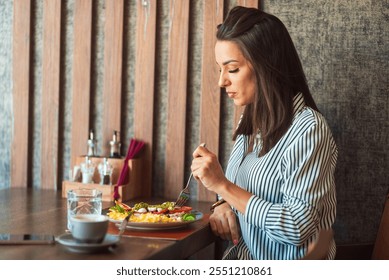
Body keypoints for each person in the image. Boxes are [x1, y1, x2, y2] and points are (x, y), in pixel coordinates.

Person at [191, 6, 337, 260]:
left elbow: (297, 226)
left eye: (233, 69)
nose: (222, 81)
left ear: (266, 65)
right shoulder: (249, 123)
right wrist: (223, 203)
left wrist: (223, 186)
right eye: (220, 69)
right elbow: (243, 194)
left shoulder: (309, 130)